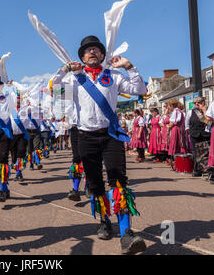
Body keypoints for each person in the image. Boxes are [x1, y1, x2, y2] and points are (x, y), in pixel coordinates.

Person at [49, 35, 147, 254]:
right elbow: (55, 91)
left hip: (110, 135)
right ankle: (104, 221)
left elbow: (139, 89)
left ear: (102, 55)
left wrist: (129, 65)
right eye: (87, 50)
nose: (91, 51)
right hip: (85, 137)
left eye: (95, 49)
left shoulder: (113, 75)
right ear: (82, 57)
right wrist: (64, 69)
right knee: (94, 184)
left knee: (119, 181)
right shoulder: (75, 79)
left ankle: (126, 234)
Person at [185, 97, 211, 177]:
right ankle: (196, 170)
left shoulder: (208, 111)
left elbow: (208, 122)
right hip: (194, 135)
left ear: (203, 102)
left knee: (205, 153)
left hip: (205, 135)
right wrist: (190, 133)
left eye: (199, 102)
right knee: (196, 153)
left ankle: (205, 169)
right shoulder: (190, 112)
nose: (197, 104)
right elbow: (187, 125)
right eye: (195, 103)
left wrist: (204, 110)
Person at [167, 98, 188, 168]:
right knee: (176, 144)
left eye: (170, 105)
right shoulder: (177, 111)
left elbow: (176, 120)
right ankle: (175, 162)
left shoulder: (177, 111)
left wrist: (170, 125)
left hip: (176, 129)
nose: (169, 107)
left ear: (172, 105)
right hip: (176, 129)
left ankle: (177, 163)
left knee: (176, 144)